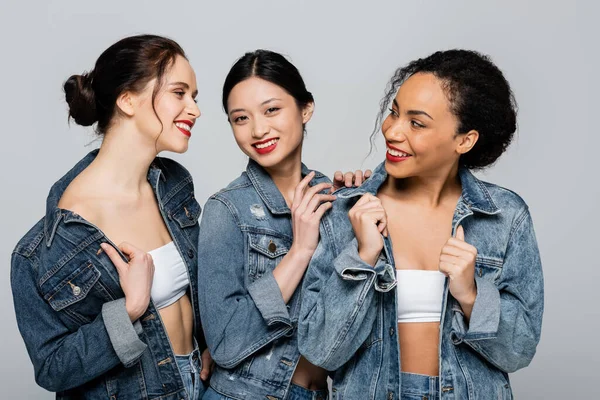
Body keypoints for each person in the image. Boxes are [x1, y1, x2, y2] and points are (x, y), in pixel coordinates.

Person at [297, 49, 544, 399]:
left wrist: (472, 295)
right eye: (394, 112)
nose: (392, 131)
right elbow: (320, 350)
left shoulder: (505, 216)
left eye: (417, 123)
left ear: (464, 140)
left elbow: (519, 351)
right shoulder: (347, 211)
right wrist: (364, 256)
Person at [11, 34, 211, 399]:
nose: (195, 109)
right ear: (128, 100)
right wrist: (129, 309)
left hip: (201, 382)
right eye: (179, 93)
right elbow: (53, 367)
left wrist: (211, 343)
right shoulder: (43, 251)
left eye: (194, 97)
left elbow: (198, 291)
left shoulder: (174, 185)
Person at [199, 49, 346, 400]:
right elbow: (224, 342)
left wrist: (362, 199)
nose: (258, 129)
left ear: (305, 109)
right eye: (241, 118)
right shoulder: (227, 210)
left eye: (271, 110)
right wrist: (299, 251)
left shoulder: (335, 198)